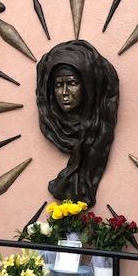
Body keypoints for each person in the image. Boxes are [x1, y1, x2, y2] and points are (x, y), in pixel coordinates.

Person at [36, 40, 119, 207]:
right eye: (58, 85)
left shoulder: (99, 126)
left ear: (87, 85)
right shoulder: (51, 124)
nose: (64, 93)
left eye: (72, 83)